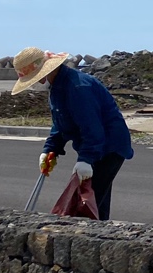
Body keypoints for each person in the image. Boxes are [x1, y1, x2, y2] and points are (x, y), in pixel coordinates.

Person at [12, 47, 132, 221]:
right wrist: (51, 148)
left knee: (88, 200)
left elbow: (92, 128)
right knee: (95, 200)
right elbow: (61, 122)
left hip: (109, 146)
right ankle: (100, 231)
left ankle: (93, 237)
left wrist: (86, 159)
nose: (35, 83)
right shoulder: (57, 86)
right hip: (95, 143)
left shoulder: (78, 87)